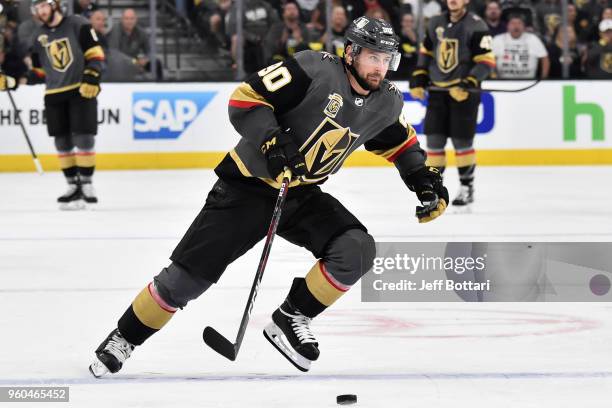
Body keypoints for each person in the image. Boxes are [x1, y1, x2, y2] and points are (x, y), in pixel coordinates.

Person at [88, 16, 448, 377]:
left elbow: (401, 143)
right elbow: (245, 98)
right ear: (351, 52)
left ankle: (292, 316)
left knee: (356, 249)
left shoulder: (386, 101)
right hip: (246, 187)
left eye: (387, 59)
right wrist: (273, 141)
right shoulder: (313, 68)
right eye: (373, 57)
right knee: (185, 281)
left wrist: (423, 180)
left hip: (301, 193)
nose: (380, 68)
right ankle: (124, 337)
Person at [0, 0, 105, 209]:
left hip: (79, 89)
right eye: (37, 7)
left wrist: (92, 77)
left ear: (55, 5)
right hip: (54, 94)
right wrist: (12, 81)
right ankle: (72, 185)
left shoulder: (78, 23)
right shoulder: (38, 36)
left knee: (84, 138)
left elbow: (95, 55)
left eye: (44, 5)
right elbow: (40, 72)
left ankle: (86, 184)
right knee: (62, 142)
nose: (42, 10)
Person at [409, 0, 495, 210]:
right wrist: (419, 76)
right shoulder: (435, 22)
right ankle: (438, 187)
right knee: (435, 143)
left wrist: (469, 83)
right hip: (438, 92)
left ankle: (467, 188)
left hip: (464, 94)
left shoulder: (477, 25)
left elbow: (486, 62)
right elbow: (426, 53)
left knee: (462, 143)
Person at [492, 13, 549, 78]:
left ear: (524, 27)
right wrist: (493, 78)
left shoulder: (533, 38)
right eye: (513, 23)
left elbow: (545, 59)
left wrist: (543, 79)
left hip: (529, 81)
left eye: (519, 23)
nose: (516, 26)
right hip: (503, 81)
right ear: (507, 26)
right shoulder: (498, 39)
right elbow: (490, 59)